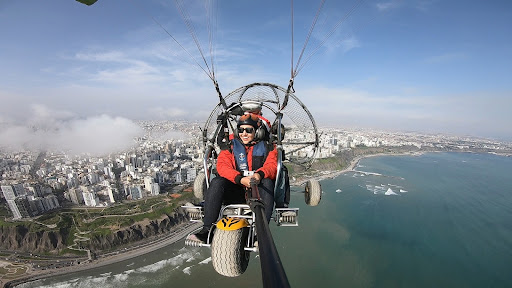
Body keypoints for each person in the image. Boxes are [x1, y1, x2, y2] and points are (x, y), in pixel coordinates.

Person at [187, 113, 277, 243]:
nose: (244, 134)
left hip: (258, 191)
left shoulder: (268, 147)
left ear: (257, 132)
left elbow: (272, 165)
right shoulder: (230, 146)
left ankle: (260, 234)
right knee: (217, 181)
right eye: (241, 130)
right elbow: (223, 166)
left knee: (268, 182)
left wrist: (259, 175)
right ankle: (207, 230)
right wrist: (239, 179)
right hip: (236, 190)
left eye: (249, 130)